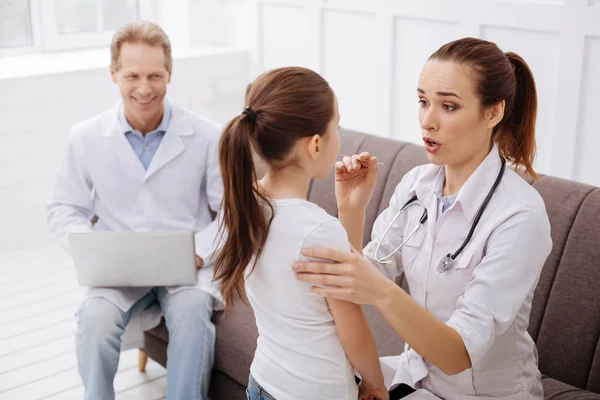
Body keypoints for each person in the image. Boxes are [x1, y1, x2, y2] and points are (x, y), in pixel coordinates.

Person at [292, 37, 552, 399]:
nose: (427, 121)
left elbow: (457, 354)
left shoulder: (520, 216)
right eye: (423, 101)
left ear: (493, 113)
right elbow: (364, 275)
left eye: (448, 106)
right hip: (415, 376)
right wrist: (351, 208)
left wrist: (382, 292)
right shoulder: (418, 184)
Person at [46, 21, 223, 400]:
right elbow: (64, 207)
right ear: (114, 75)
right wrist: (92, 249)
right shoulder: (86, 137)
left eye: (155, 76)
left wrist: (200, 250)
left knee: (193, 315)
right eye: (133, 76)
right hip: (117, 269)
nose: (144, 89)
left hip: (185, 267)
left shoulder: (207, 135)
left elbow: (230, 213)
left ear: (170, 74)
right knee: (93, 322)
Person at [214, 66, 388, 400]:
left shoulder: (246, 203)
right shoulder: (317, 230)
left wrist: (350, 209)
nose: (339, 135)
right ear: (316, 144)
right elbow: (354, 333)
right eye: (337, 125)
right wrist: (375, 383)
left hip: (264, 382)